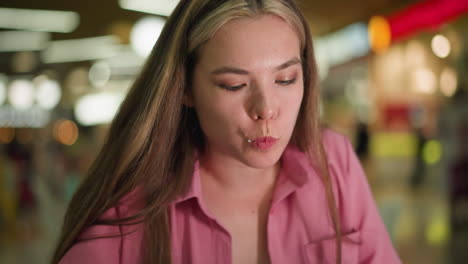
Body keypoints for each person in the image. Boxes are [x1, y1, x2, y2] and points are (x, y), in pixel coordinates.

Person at [53, 0, 401, 263]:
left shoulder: (332, 160)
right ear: (185, 89)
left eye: (285, 79)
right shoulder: (129, 221)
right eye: (234, 85)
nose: (265, 108)